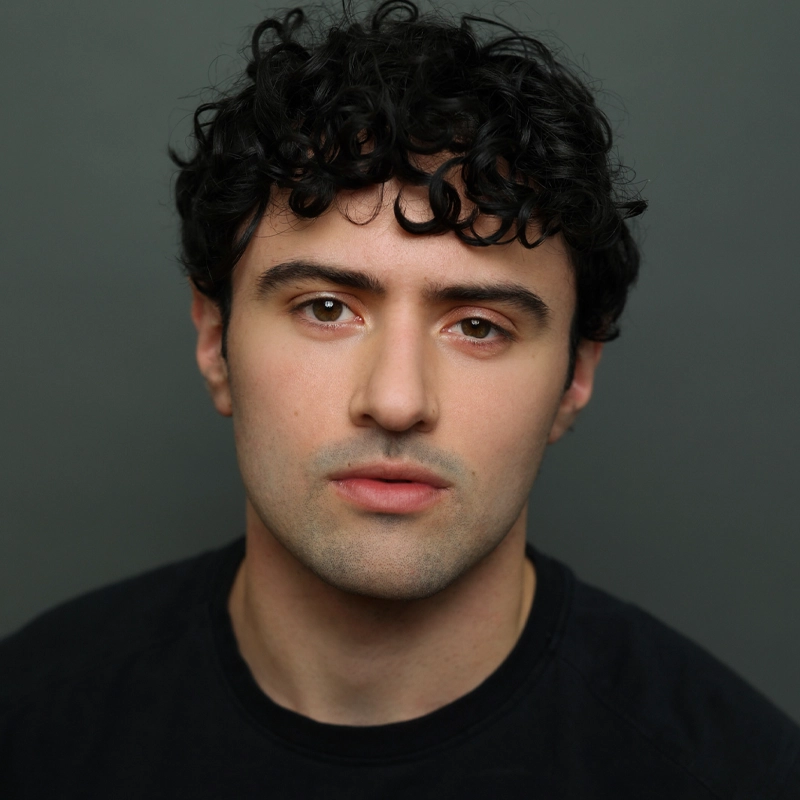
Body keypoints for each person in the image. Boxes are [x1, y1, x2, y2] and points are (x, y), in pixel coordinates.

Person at [1, 1, 798, 796]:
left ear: (574, 378)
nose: (396, 400)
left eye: (479, 326)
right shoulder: (30, 726)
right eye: (326, 308)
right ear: (215, 341)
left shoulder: (739, 773)